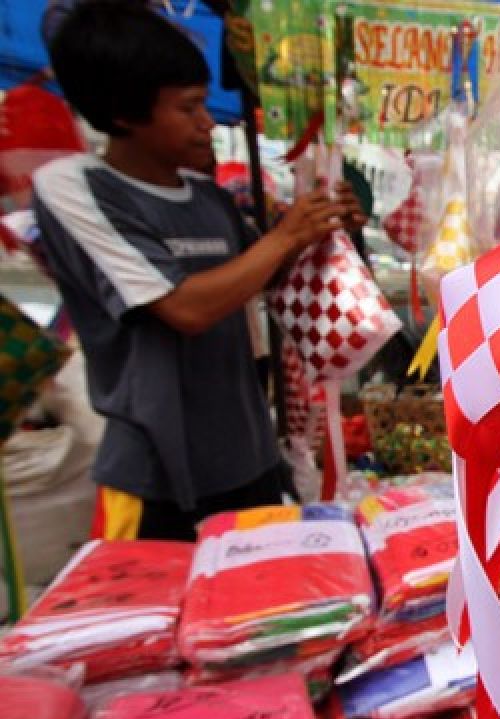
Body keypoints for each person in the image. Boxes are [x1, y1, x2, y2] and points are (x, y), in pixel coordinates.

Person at [33, 1, 365, 540]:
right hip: (158, 478)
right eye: (188, 108)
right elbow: (184, 307)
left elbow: (266, 279)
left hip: (248, 458)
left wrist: (325, 229)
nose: (207, 121)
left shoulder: (208, 197)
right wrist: (285, 236)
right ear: (122, 113)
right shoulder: (77, 188)